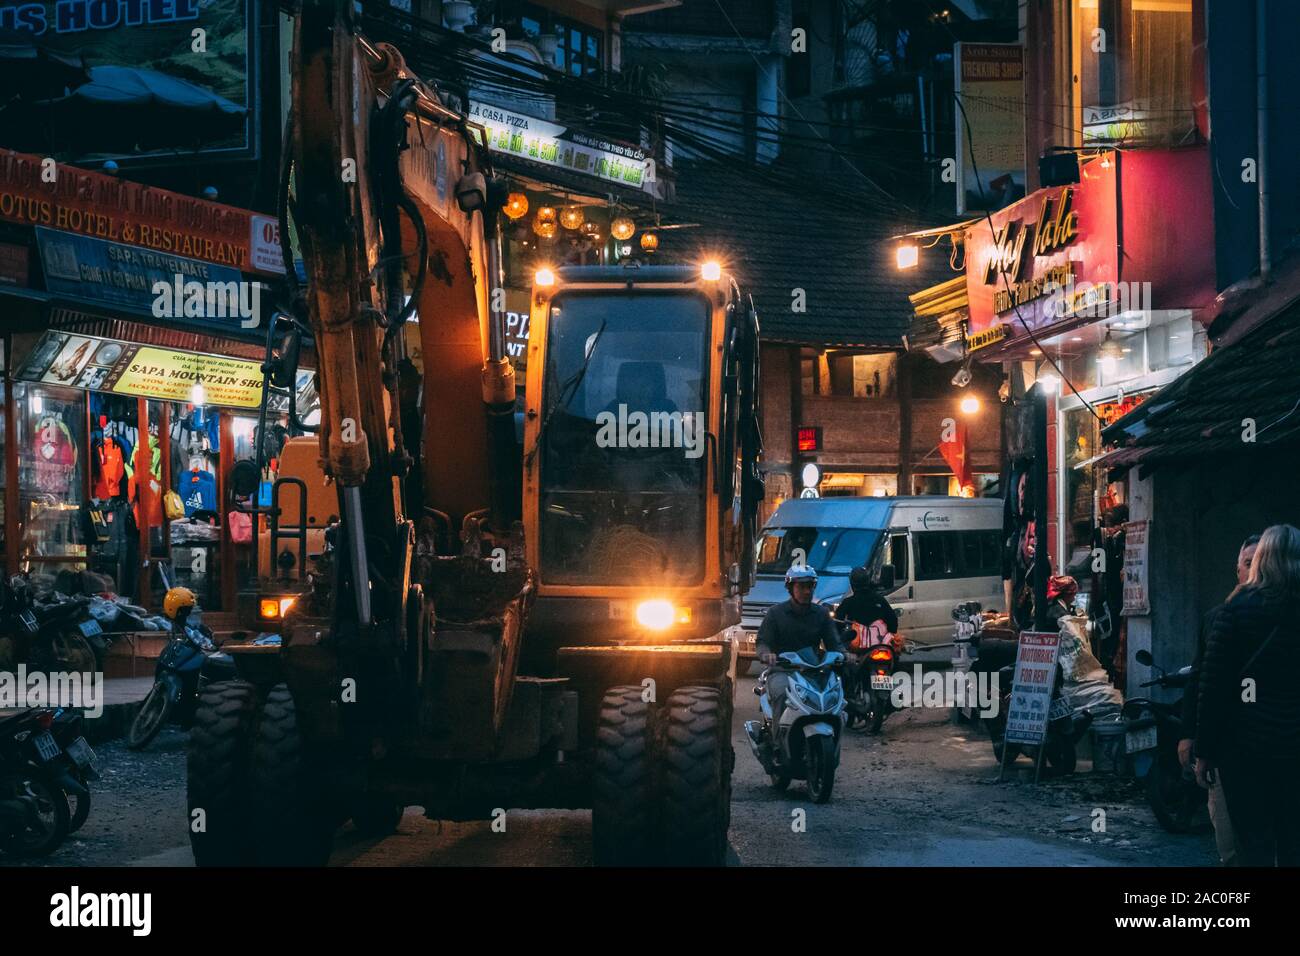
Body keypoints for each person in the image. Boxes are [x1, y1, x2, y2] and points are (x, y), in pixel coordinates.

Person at [1195, 524, 1300, 866]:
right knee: (1292, 841)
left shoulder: (1236, 610)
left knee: (1252, 842)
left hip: (1244, 751)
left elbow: (1213, 687)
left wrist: (1205, 750)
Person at [1179, 534, 1258, 866]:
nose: (1254, 571)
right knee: (1230, 844)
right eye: (1248, 563)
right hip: (1229, 748)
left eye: (1261, 563)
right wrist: (1193, 739)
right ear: (1237, 569)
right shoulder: (1219, 618)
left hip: (1273, 748)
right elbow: (1203, 682)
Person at [756, 565, 845, 722]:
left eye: (810, 586)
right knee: (783, 695)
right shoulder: (775, 613)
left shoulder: (821, 614)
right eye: (801, 586)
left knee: (834, 696)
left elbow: (834, 643)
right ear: (790, 588)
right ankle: (778, 743)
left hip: (814, 672)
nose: (806, 591)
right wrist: (766, 654)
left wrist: (844, 654)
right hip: (783, 671)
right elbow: (763, 641)